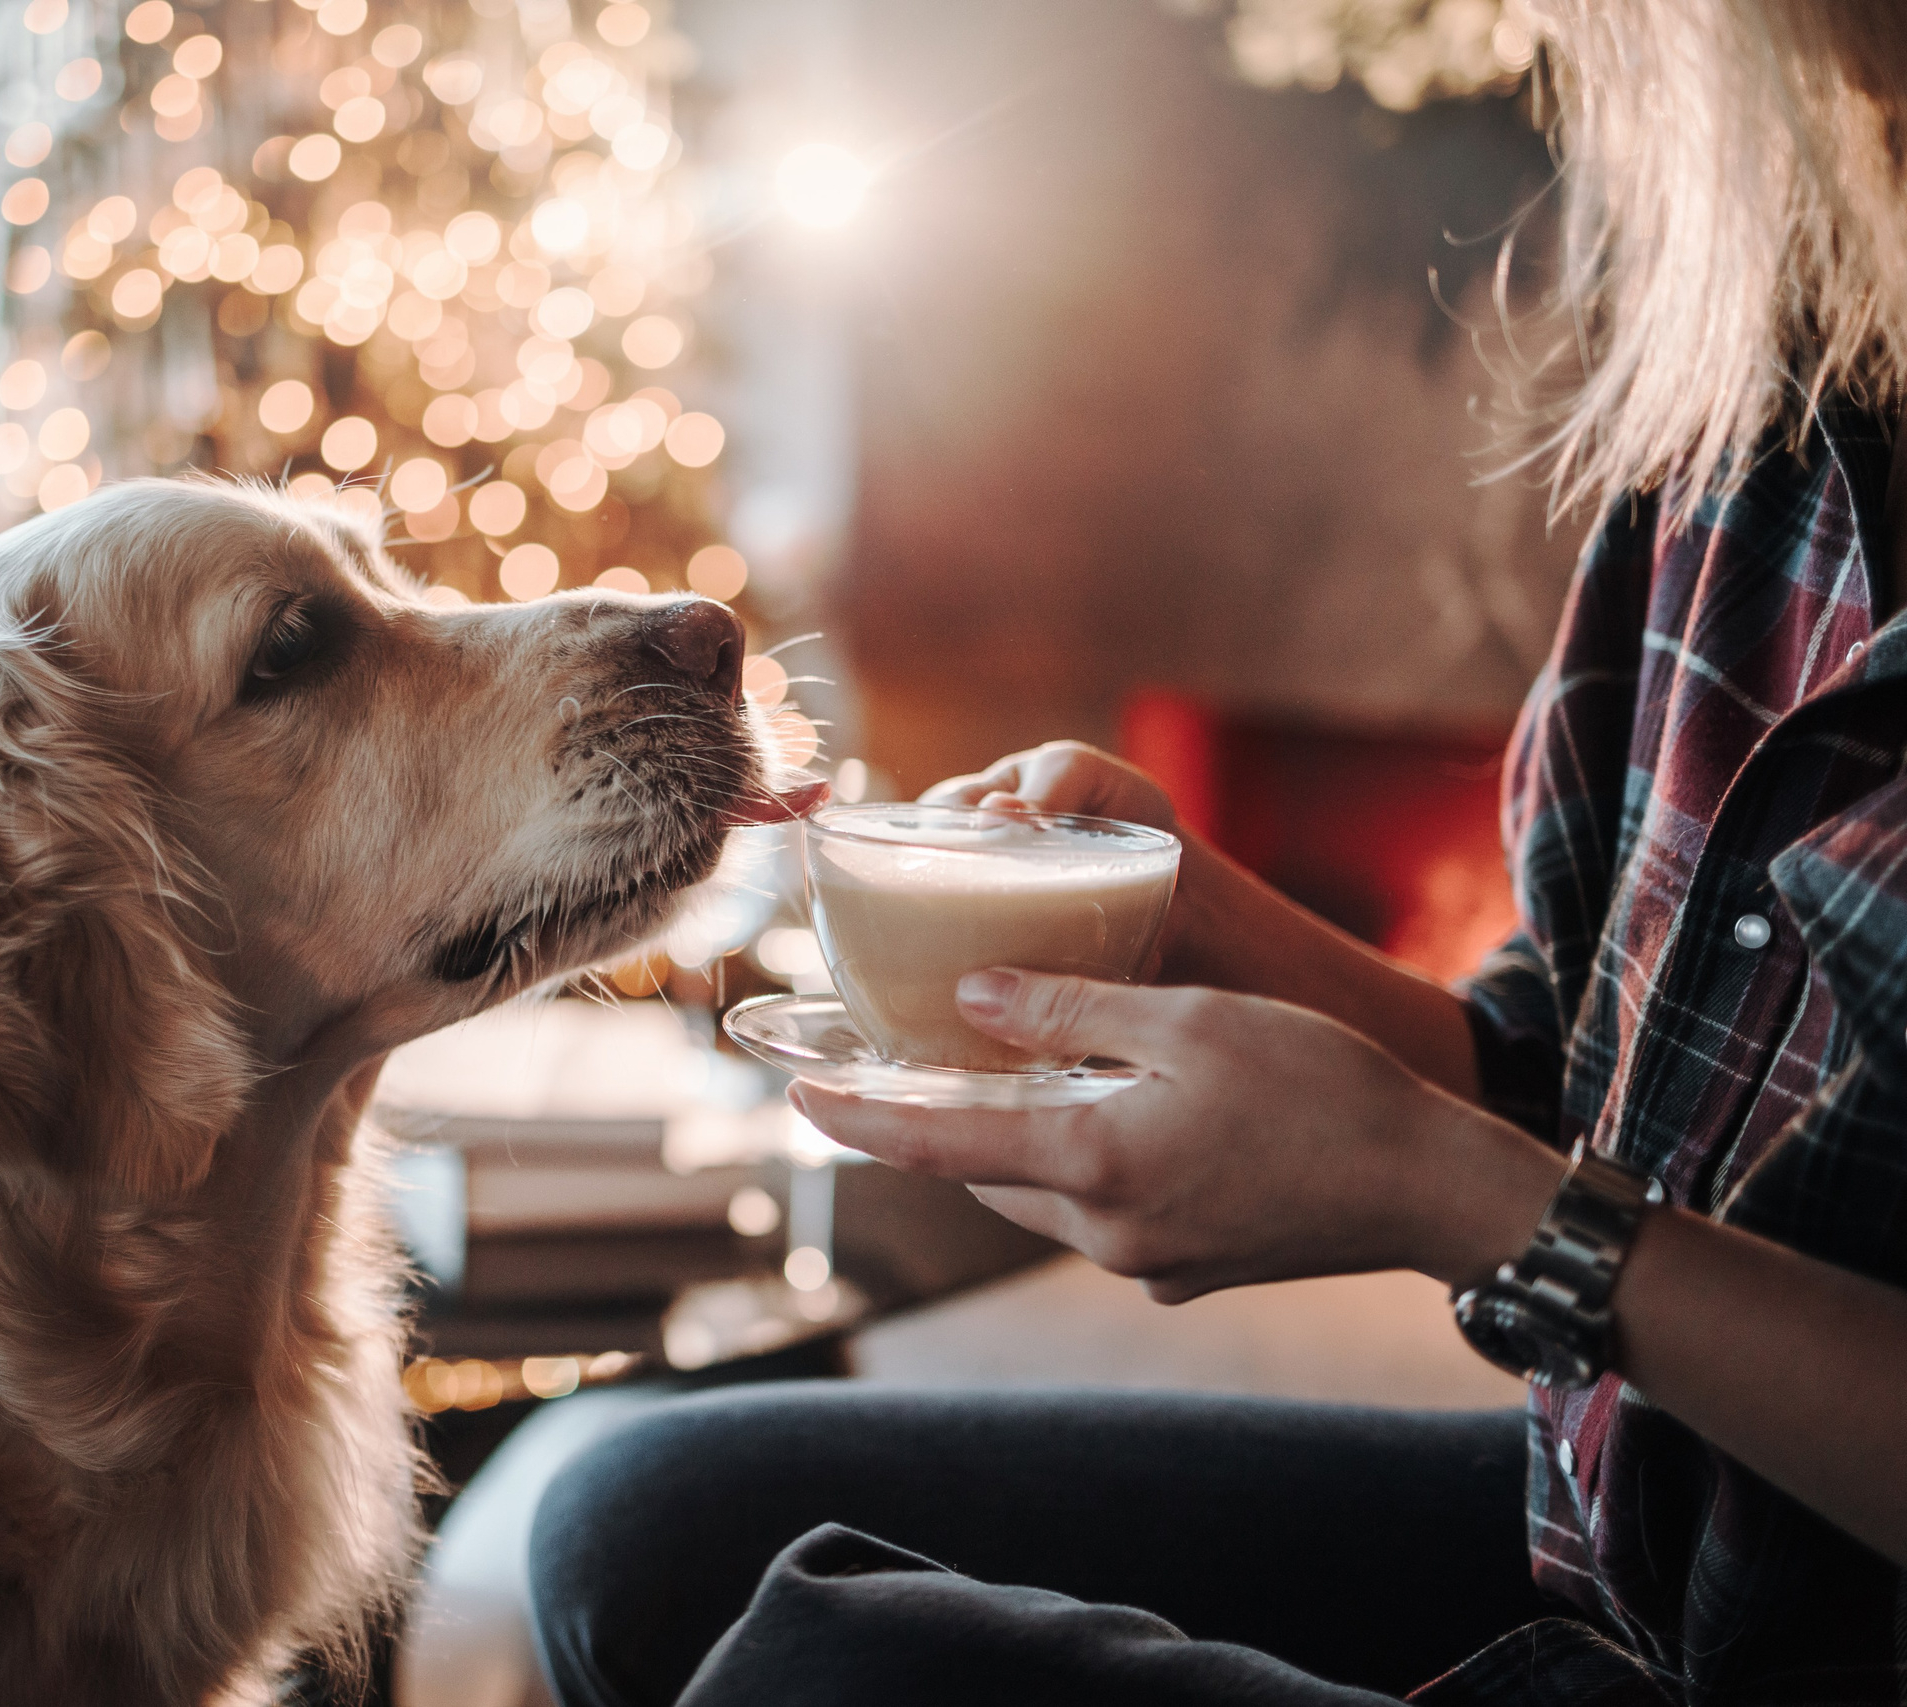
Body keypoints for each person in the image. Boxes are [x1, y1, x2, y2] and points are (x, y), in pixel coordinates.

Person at [527, 3, 1907, 1702]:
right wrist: (1200, 914)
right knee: (634, 1517)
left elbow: (1507, 1172)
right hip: (1637, 1522)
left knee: (839, 1672)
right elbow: (1569, 1086)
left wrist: (1438, 1199)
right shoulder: (1773, 391)